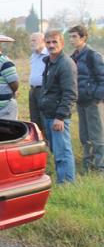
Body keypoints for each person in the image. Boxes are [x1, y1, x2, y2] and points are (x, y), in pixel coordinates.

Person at [39, 30, 77, 183]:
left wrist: (60, 117)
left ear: (62, 43)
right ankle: (62, 179)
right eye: (48, 42)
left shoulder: (66, 64)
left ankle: (67, 183)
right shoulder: (49, 61)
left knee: (63, 151)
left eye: (54, 42)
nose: (51, 45)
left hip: (58, 116)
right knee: (57, 150)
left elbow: (70, 93)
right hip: (49, 114)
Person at [68, 25, 104, 173]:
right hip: (80, 101)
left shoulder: (92, 55)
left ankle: (101, 167)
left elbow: (102, 78)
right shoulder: (73, 57)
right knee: (84, 135)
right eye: (70, 37)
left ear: (83, 38)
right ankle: (87, 165)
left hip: (92, 102)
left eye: (74, 36)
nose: (71, 40)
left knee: (97, 136)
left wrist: (95, 96)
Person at [28, 32, 48, 134]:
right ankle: (40, 141)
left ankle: (48, 143)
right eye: (30, 40)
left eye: (34, 40)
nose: (31, 43)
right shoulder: (33, 56)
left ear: (43, 41)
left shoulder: (48, 55)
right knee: (34, 119)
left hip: (43, 90)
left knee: (44, 118)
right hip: (33, 90)